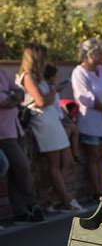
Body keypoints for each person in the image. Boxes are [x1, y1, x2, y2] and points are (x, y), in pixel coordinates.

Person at [16, 42, 80, 211]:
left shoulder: (38, 76)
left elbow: (45, 100)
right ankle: (65, 200)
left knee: (67, 161)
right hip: (43, 122)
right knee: (54, 163)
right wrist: (55, 91)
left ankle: (54, 198)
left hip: (52, 119)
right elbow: (41, 101)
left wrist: (51, 93)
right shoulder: (27, 76)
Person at [71, 38, 102, 197]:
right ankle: (98, 190)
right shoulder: (79, 72)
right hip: (91, 121)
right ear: (87, 54)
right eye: (96, 53)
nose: (100, 56)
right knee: (94, 156)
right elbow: (85, 97)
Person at [0, 64, 44, 222]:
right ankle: (32, 204)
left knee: (15, 172)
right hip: (3, 133)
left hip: (15, 127)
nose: (3, 49)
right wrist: (12, 96)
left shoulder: (2, 72)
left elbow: (19, 92)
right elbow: (5, 102)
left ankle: (20, 211)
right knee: (23, 166)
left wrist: (12, 95)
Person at [43, 63, 81, 162]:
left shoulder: (53, 90)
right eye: (55, 76)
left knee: (74, 129)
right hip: (55, 121)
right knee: (70, 130)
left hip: (60, 119)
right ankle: (73, 153)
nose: (57, 78)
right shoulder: (49, 90)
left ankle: (75, 154)